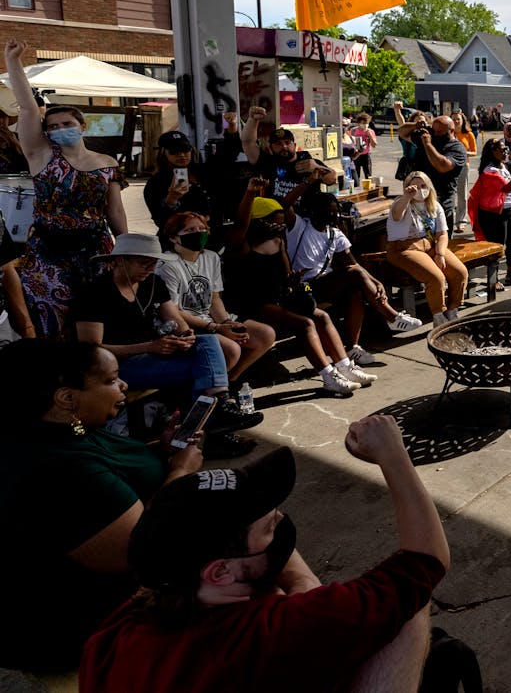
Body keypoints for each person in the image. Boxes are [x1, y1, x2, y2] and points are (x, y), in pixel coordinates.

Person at [79, 418, 451, 693]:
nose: (282, 520)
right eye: (269, 527)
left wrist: (296, 576)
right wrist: (393, 454)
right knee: (408, 612)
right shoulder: (271, 630)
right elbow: (426, 561)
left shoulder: (113, 637)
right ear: (220, 571)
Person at [0, 338, 204, 671]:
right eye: (110, 380)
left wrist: (161, 448)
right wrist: (181, 470)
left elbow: (104, 457)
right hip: (82, 630)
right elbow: (140, 549)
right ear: (66, 397)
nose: (124, 385)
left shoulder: (70, 426)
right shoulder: (58, 469)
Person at [70, 233, 260, 443]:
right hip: (118, 365)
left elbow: (176, 319)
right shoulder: (95, 293)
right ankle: (212, 426)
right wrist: (149, 347)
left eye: (153, 263)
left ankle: (217, 407)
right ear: (120, 260)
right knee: (201, 370)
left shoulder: (153, 282)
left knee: (207, 342)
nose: (150, 269)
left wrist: (185, 336)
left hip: (152, 355)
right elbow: (91, 348)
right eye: (143, 263)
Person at [6, 38, 128, 338]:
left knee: (95, 320)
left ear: (82, 125)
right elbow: (27, 107)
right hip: (49, 250)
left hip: (97, 249)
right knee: (52, 319)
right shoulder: (42, 155)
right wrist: (13, 62)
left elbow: (114, 210)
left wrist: (125, 248)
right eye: (53, 126)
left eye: (66, 123)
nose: (60, 129)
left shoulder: (107, 162)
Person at [221, 184, 368, 397]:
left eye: (281, 224)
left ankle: (345, 366)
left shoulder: (278, 241)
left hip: (278, 297)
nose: (279, 228)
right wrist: (250, 192)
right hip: (253, 303)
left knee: (322, 316)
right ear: (258, 222)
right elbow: (241, 222)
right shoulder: (242, 246)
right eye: (273, 223)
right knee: (305, 323)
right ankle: (328, 376)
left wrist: (297, 281)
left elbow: (286, 273)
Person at [288, 189, 423, 344]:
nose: (332, 215)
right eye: (328, 211)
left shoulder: (334, 234)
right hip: (306, 287)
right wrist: (306, 183)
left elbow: (353, 263)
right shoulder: (299, 227)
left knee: (355, 292)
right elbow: (285, 206)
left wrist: (376, 282)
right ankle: (392, 317)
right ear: (315, 211)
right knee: (355, 274)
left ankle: (353, 347)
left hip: (328, 284)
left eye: (335, 211)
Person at [157, 212, 277, 384]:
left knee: (264, 334)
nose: (198, 233)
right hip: (187, 325)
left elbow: (214, 299)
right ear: (174, 238)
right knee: (232, 349)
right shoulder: (168, 265)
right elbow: (173, 311)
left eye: (202, 228)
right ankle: (208, 389)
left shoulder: (211, 257)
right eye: (190, 230)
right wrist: (216, 328)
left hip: (211, 319)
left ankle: (229, 381)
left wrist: (227, 323)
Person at [387, 170, 467, 327]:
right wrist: (407, 196)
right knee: (436, 278)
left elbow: (442, 233)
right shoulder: (401, 202)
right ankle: (438, 315)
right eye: (414, 186)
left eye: (423, 185)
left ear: (429, 187)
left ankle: (452, 310)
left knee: (460, 272)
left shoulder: (434, 205)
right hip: (405, 247)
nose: (419, 189)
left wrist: (440, 253)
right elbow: (397, 215)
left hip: (429, 244)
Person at [240, 109, 337, 202]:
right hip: (276, 215)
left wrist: (317, 168)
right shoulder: (268, 162)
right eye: (278, 144)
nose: (284, 147)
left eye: (287, 142)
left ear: (294, 145)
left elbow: (332, 178)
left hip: (305, 216)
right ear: (271, 148)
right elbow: (248, 142)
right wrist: (252, 119)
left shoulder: (309, 162)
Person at [471, 137, 511, 289]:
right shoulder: (489, 171)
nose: (506, 152)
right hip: (495, 214)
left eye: (506, 149)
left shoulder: (502, 166)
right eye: (502, 149)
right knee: (497, 247)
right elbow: (508, 187)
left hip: (508, 211)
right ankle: (493, 280)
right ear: (493, 152)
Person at [398, 114, 467, 228]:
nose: (436, 134)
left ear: (452, 130)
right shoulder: (430, 135)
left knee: (441, 238)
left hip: (441, 202)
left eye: (440, 132)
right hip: (420, 200)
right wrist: (415, 125)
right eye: (434, 131)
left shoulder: (457, 148)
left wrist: (428, 145)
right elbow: (402, 132)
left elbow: (442, 166)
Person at [144, 130, 217, 233]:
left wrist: (231, 129)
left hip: (214, 236)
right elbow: (161, 220)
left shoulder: (202, 171)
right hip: (181, 240)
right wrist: (171, 200)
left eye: (185, 149)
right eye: (174, 151)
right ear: (163, 153)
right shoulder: (156, 182)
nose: (182, 155)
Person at [451, 110, 479, 231]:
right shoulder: (447, 133)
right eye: (453, 119)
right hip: (448, 166)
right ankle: (448, 219)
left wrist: (463, 152)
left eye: (458, 119)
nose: (456, 121)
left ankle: (461, 221)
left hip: (463, 166)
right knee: (449, 194)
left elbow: (474, 151)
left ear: (462, 120)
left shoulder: (468, 134)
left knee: (462, 194)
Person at [348, 112, 378, 181]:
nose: (365, 125)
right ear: (359, 123)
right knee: (355, 176)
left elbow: (374, 145)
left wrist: (370, 135)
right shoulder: (353, 131)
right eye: (363, 123)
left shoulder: (370, 131)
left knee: (368, 175)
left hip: (366, 155)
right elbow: (349, 142)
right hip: (356, 155)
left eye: (366, 123)